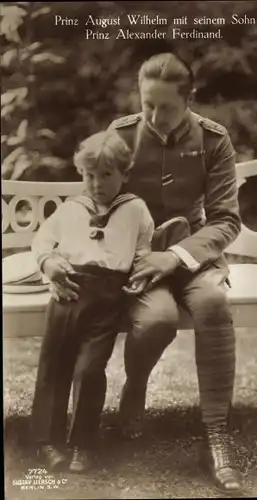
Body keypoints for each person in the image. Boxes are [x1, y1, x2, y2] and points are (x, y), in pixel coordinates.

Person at [50, 52, 243, 493]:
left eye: (167, 107)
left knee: (213, 302)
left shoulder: (214, 140)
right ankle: (135, 387)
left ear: (189, 99)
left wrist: (174, 256)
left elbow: (226, 220)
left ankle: (216, 435)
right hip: (135, 258)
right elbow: (94, 198)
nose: (155, 116)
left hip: (192, 256)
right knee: (156, 320)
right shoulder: (121, 135)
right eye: (147, 104)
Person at [30, 131, 154, 473]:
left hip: (108, 298)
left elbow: (143, 249)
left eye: (106, 175)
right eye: (89, 176)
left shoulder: (135, 209)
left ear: (125, 174)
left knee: (90, 369)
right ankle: (46, 442)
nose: (97, 184)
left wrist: (141, 272)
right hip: (68, 290)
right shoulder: (71, 209)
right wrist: (49, 265)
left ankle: (81, 442)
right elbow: (42, 241)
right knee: (55, 366)